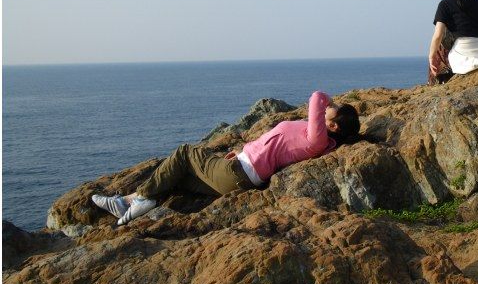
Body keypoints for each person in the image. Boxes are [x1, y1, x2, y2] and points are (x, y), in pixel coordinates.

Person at [92, 91, 359, 225]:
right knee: (178, 177)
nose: (326, 112)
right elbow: (273, 144)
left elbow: (316, 97)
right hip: (239, 173)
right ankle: (125, 203)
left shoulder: (319, 139)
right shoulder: (320, 140)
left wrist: (331, 103)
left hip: (240, 174)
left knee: (186, 152)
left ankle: (140, 199)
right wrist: (242, 152)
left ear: (334, 127)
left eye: (331, 115)